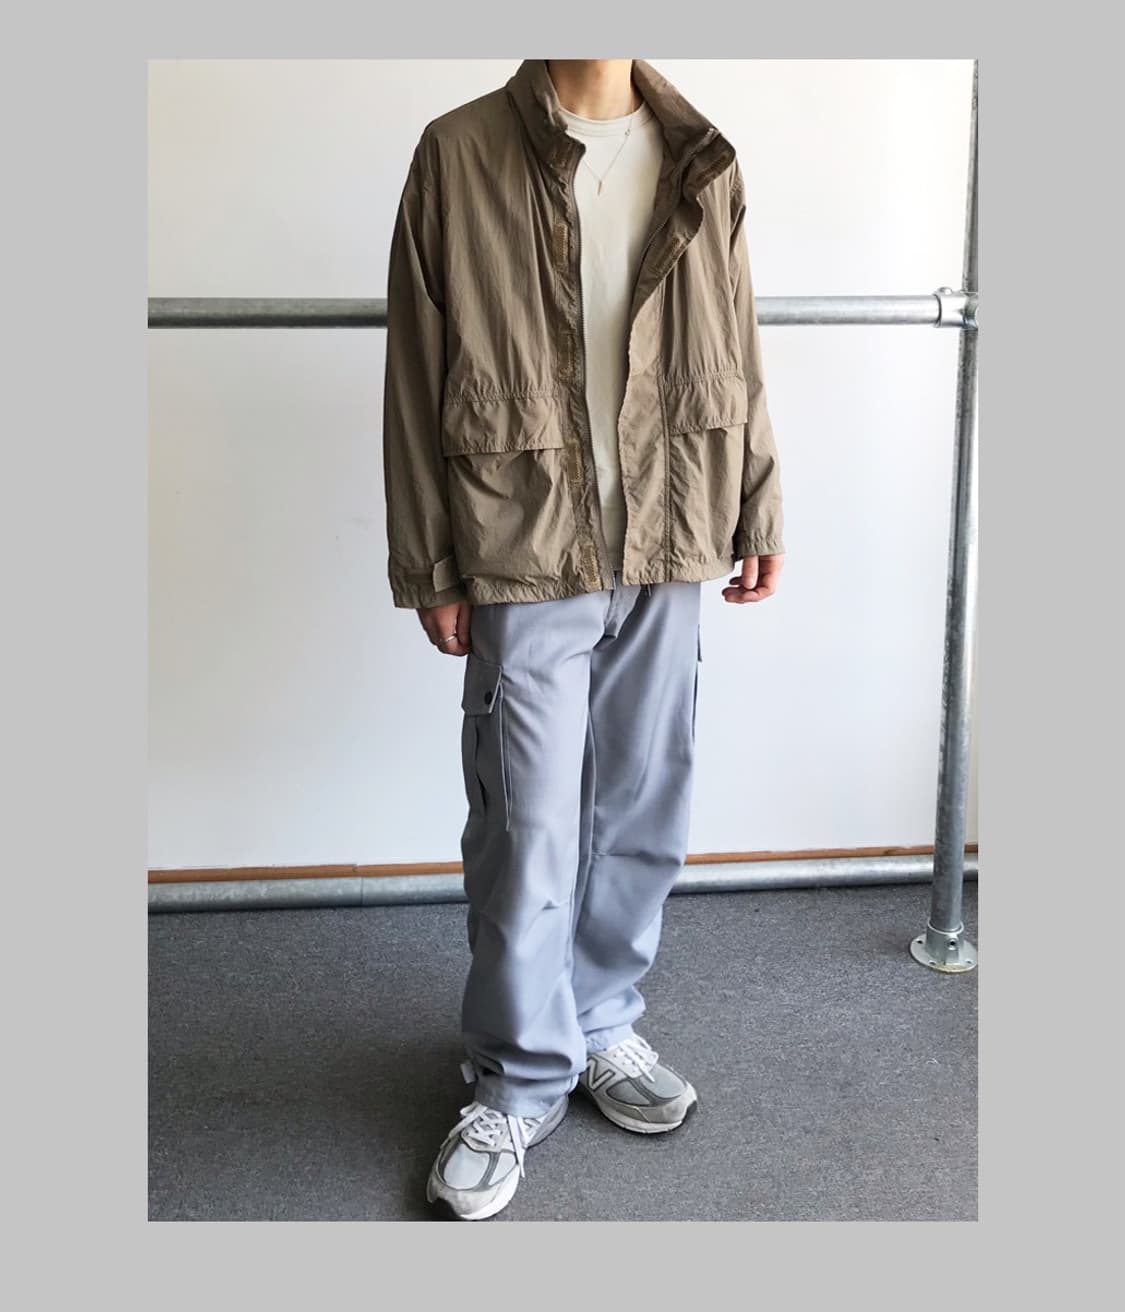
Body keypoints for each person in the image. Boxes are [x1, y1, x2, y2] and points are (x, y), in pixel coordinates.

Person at [382, 58, 785, 1221]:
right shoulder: (458, 152)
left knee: (642, 806)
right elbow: (415, 367)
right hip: (522, 534)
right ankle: (515, 1077)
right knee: (527, 824)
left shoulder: (703, 154)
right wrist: (429, 559)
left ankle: (602, 1018)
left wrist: (759, 502)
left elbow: (738, 342)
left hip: (671, 530)